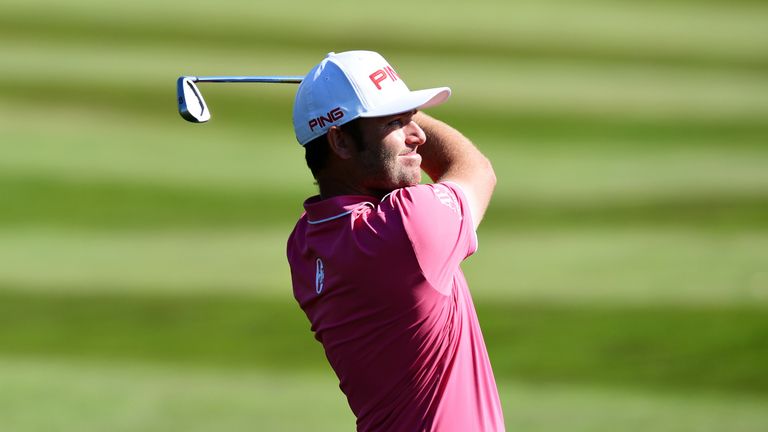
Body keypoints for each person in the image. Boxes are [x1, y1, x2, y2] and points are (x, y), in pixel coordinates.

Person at [286, 51, 504, 431]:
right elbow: (477, 170)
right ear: (340, 141)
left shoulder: (305, 243)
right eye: (397, 121)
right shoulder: (408, 227)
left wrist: (375, 105)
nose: (417, 134)